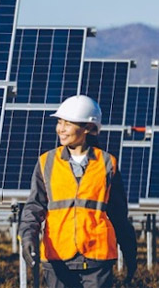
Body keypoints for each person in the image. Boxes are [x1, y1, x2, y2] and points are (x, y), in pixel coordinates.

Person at [18, 94, 138, 288]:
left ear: (88, 128)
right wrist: (27, 237)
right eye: (59, 122)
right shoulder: (46, 162)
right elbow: (34, 207)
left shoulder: (107, 163)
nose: (61, 129)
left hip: (97, 258)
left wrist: (130, 252)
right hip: (57, 255)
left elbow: (119, 214)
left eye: (68, 123)